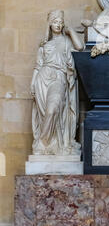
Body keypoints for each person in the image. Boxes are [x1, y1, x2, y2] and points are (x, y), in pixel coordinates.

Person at [30, 10, 84, 155]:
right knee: (44, 114)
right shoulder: (44, 44)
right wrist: (33, 83)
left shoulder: (66, 41)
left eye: (60, 22)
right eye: (55, 21)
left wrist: (71, 31)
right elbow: (38, 66)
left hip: (59, 77)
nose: (58, 24)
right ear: (49, 24)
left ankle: (43, 142)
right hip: (42, 78)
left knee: (52, 110)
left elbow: (80, 47)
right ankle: (48, 146)